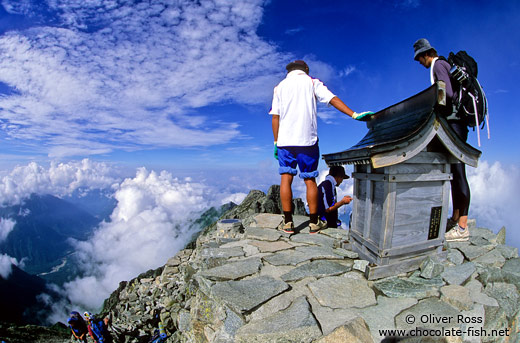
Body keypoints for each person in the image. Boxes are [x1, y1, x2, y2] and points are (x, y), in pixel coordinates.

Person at [270, 59, 373, 234]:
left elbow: (275, 117)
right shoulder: (311, 82)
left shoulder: (279, 87)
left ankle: (288, 223)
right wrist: (354, 114)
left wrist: (275, 142)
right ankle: (314, 223)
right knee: (310, 180)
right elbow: (332, 99)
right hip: (307, 140)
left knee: (286, 178)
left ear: (288, 71)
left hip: (284, 141)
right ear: (306, 69)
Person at [413, 38, 471, 242]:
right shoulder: (444, 64)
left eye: (419, 58)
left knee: (458, 170)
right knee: (454, 172)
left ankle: (462, 227)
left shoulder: (438, 65)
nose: (420, 63)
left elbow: (445, 93)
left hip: (454, 123)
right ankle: (456, 218)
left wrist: (433, 109)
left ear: (425, 54)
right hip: (457, 123)